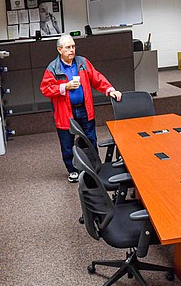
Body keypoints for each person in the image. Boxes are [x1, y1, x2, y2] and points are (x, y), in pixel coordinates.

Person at [40, 33, 122, 182]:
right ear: (59, 50)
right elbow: (45, 89)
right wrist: (65, 86)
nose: (72, 50)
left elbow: (97, 78)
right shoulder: (53, 68)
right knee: (67, 143)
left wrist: (110, 90)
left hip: (84, 109)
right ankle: (72, 170)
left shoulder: (82, 62)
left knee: (90, 138)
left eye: (73, 46)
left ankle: (93, 166)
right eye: (68, 47)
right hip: (65, 113)